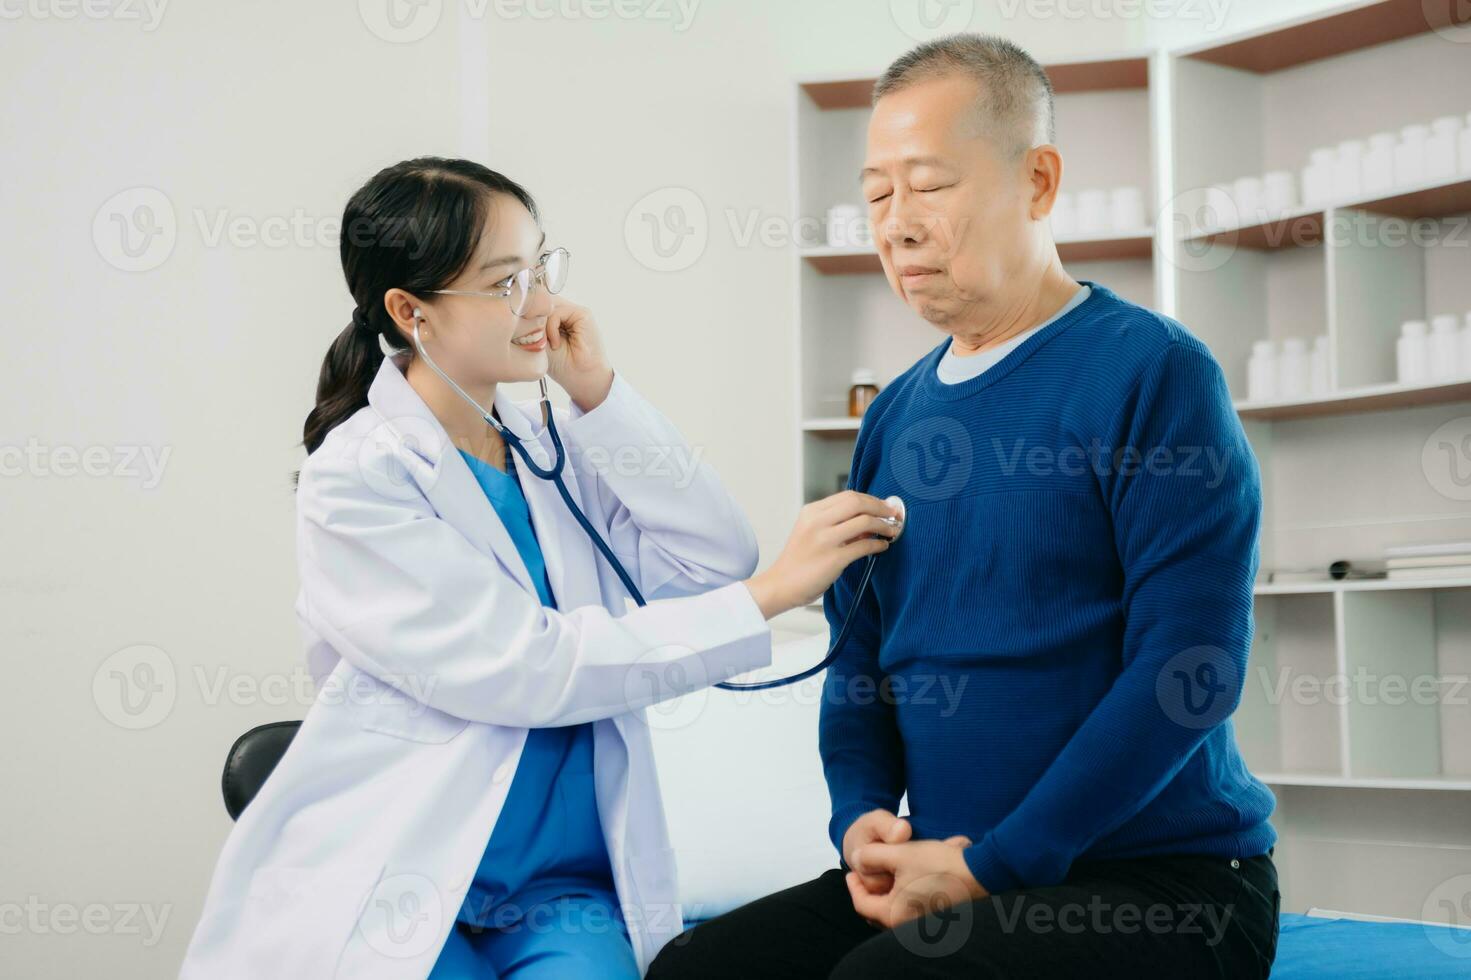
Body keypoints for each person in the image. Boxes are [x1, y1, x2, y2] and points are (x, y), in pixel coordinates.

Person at [648, 34, 1280, 980]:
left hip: (1167, 883)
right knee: (695, 972)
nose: (895, 225)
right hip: (953, 866)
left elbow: (1190, 671)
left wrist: (996, 865)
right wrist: (858, 819)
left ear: (1037, 181)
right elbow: (858, 657)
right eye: (874, 195)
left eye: (929, 184)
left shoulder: (1152, 372)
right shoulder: (893, 417)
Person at [178, 157, 901, 980]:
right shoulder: (359, 478)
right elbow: (525, 666)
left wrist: (598, 394)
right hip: (399, 875)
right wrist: (771, 596)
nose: (542, 305)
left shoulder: (549, 448)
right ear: (411, 310)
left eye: (540, 269)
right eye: (504, 283)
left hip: (562, 888)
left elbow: (711, 559)